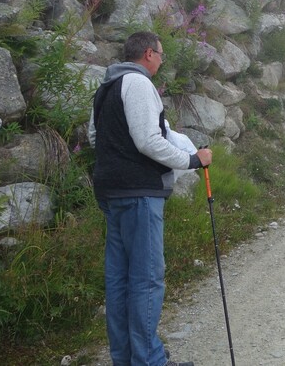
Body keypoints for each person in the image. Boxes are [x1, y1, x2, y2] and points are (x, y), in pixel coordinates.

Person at [88, 31, 212, 366]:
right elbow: (148, 141)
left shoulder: (106, 88)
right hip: (139, 192)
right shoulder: (139, 84)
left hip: (111, 192)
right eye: (161, 54)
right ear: (148, 54)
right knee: (146, 279)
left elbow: (93, 136)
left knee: (119, 281)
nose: (162, 59)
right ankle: (149, 361)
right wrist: (191, 160)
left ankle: (126, 358)